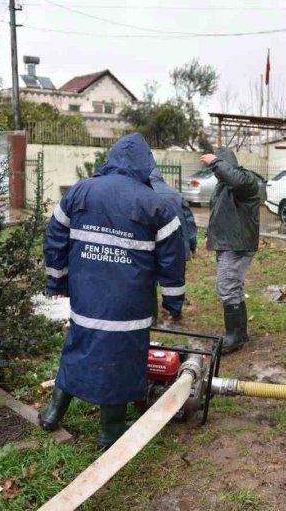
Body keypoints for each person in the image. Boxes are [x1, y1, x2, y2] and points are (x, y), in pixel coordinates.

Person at [39, 133, 186, 448]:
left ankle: (52, 413)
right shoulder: (155, 205)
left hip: (85, 297)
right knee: (120, 359)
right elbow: (172, 262)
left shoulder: (79, 192)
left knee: (78, 346)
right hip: (128, 305)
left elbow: (54, 236)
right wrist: (173, 302)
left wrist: (57, 280)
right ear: (146, 165)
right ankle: (111, 431)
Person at [201, 147, 260, 353]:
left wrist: (215, 162)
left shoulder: (246, 181)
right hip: (228, 242)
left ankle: (234, 337)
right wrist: (209, 233)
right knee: (233, 287)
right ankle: (239, 334)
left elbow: (235, 179)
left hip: (238, 244)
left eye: (217, 167)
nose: (214, 172)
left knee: (226, 286)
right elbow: (217, 210)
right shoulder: (223, 186)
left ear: (225, 164)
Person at [150, 167, 197, 324]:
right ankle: (173, 310)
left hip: (151, 245)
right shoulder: (175, 194)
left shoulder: (143, 194)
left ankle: (151, 313)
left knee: (149, 280)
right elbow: (188, 220)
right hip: (177, 245)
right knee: (175, 280)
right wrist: (192, 244)